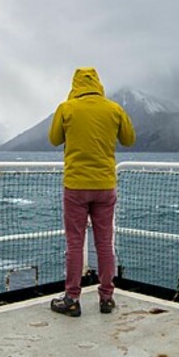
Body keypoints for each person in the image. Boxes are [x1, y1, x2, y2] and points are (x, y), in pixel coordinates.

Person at [48, 67, 136, 317]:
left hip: (76, 186)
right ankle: (106, 297)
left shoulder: (66, 108)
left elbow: (54, 139)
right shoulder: (114, 109)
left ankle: (72, 299)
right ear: (98, 83)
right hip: (105, 185)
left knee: (75, 243)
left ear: (75, 84)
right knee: (105, 243)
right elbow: (129, 139)